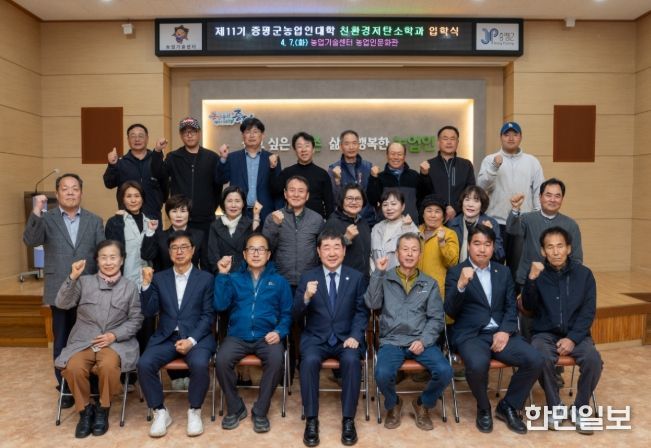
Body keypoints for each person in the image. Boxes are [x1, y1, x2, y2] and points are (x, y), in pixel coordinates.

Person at [444, 225, 543, 435]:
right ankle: (484, 408)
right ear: (468, 246)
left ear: (493, 247)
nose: (482, 249)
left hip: (501, 332)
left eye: (487, 244)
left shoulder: (503, 271)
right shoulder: (455, 272)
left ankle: (508, 406)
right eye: (477, 243)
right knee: (477, 364)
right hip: (471, 335)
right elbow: (450, 310)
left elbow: (510, 306)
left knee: (535, 359)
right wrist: (461, 285)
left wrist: (505, 331)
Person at [23, 173, 105, 408]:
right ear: (57, 193)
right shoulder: (46, 219)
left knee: (90, 339)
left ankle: (90, 385)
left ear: (81, 192)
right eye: (65, 188)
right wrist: (36, 211)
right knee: (62, 340)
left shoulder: (94, 220)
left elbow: (102, 254)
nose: (70, 192)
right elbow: (30, 240)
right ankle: (65, 388)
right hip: (58, 289)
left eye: (75, 188)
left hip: (88, 291)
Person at [55, 240, 143, 438]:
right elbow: (62, 303)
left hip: (115, 343)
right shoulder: (84, 282)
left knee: (109, 367)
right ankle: (85, 411)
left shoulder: (129, 287)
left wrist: (114, 335)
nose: (108, 262)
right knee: (73, 367)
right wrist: (73, 276)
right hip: (84, 341)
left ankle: (103, 409)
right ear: (97, 260)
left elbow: (136, 319)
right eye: (104, 257)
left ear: (121, 260)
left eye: (113, 257)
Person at [365, 233, 453, 431]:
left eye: (414, 250)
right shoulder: (385, 278)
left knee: (445, 371)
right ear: (397, 253)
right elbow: (371, 303)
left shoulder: (429, 283)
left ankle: (423, 404)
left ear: (420, 255)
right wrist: (378, 273)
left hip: (421, 341)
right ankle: (393, 404)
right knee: (381, 373)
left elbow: (436, 318)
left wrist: (424, 340)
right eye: (405, 249)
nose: (410, 254)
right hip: (392, 340)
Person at [521, 227, 602, 435]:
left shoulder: (584, 274)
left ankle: (580, 409)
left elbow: (588, 312)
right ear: (543, 251)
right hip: (545, 333)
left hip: (577, 334)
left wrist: (573, 339)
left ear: (569, 248)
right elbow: (528, 306)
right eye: (550, 247)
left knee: (593, 360)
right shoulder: (537, 273)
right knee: (539, 355)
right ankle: (555, 406)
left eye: (560, 246)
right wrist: (531, 279)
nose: (556, 252)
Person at [138, 230, 216, 438]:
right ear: (169, 252)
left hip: (197, 337)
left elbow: (208, 315)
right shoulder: (159, 278)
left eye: (184, 247)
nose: (179, 251)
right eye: (174, 248)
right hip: (167, 337)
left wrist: (191, 340)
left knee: (199, 364)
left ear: (193, 250)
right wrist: (146, 285)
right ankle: (160, 411)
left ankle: (195, 410)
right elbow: (149, 311)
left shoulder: (206, 278)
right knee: (144, 364)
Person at [294, 230, 369, 446]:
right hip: (316, 338)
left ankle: (348, 419)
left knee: (352, 361)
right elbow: (295, 314)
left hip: (346, 338)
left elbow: (361, 311)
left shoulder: (356, 277)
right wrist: (306, 297)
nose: (332, 252)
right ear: (318, 252)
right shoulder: (308, 277)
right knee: (308, 361)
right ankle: (311, 420)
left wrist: (355, 335)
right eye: (326, 248)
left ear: (344, 251)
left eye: (337, 247)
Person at [214, 233, 292, 433]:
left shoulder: (279, 282)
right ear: (244, 254)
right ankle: (235, 407)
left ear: (268, 255)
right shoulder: (233, 278)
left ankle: (260, 411)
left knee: (276, 359)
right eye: (251, 249)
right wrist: (222, 275)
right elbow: (220, 305)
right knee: (221, 360)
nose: (256, 253)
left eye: (261, 249)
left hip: (267, 336)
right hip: (237, 336)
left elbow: (287, 314)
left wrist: (279, 331)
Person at [477, 122, 545, 276]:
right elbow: (481, 186)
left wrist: (536, 216)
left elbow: (539, 190)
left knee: (518, 269)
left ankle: (515, 293)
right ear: (501, 137)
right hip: (496, 223)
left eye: (515, 134)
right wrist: (494, 166)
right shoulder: (490, 159)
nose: (511, 138)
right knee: (494, 268)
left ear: (521, 137)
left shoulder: (532, 161)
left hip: (522, 222)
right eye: (506, 134)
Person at [507, 178, 583, 289]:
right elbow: (512, 230)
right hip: (528, 278)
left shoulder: (571, 225)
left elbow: (576, 259)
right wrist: (515, 209)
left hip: (558, 281)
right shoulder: (527, 219)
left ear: (562, 199)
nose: (553, 200)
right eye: (548, 195)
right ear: (540, 197)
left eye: (557, 196)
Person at [159, 117, 226, 236]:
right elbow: (159, 175)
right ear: (181, 135)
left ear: (199, 133)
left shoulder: (212, 157)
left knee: (205, 248)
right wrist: (157, 152)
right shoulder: (173, 157)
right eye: (185, 132)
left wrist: (210, 208)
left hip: (206, 219)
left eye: (193, 131)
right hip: (180, 218)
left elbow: (219, 184)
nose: (189, 135)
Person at [263, 176, 324, 289]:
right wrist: (275, 225)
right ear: (285, 194)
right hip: (280, 279)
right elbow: (266, 249)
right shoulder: (272, 217)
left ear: (307, 195)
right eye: (292, 190)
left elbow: (322, 250)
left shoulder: (317, 219)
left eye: (301, 191)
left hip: (309, 280)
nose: (296, 195)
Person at [218, 117, 283, 224]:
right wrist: (223, 159)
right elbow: (221, 180)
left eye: (255, 132)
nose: (252, 135)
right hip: (239, 213)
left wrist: (279, 211)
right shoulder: (232, 158)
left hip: (265, 213)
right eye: (248, 132)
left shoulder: (272, 158)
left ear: (262, 135)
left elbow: (277, 189)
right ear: (243, 136)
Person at [103, 123, 168, 220]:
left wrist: (157, 201)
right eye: (133, 136)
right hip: (127, 217)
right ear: (128, 139)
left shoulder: (156, 160)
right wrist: (112, 165)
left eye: (141, 136)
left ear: (147, 138)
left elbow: (165, 187)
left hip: (153, 217)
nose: (137, 139)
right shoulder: (121, 162)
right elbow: (109, 183)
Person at [104, 180, 156, 287]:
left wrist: (150, 232)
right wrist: (119, 221)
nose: (133, 200)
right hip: (123, 283)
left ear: (142, 198)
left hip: (146, 282)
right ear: (122, 199)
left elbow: (150, 255)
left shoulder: (150, 222)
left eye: (137, 196)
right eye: (128, 196)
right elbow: (112, 254)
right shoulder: (114, 222)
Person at [420, 125, 475, 222]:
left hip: (460, 217)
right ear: (438, 142)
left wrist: (455, 208)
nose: (449, 142)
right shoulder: (428, 165)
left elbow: (470, 191)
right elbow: (424, 194)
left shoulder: (466, 164)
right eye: (445, 139)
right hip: (435, 218)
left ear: (457, 142)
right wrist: (424, 175)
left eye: (452, 139)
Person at [272, 131, 334, 219]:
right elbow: (274, 190)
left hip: (316, 222)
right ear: (295, 151)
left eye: (307, 146)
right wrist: (272, 168)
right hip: (291, 221)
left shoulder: (322, 174)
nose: (303, 150)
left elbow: (329, 203)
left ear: (313, 149)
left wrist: (329, 223)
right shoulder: (287, 172)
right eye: (299, 146)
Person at [141, 194, 207, 272]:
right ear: (168, 214)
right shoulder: (160, 236)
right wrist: (150, 230)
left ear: (189, 214)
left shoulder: (199, 235)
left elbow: (205, 265)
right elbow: (147, 256)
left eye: (183, 211)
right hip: (164, 278)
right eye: (174, 211)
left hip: (193, 278)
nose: (178, 215)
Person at [366, 141, 427, 224]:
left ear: (404, 156)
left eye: (399, 154)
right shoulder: (379, 177)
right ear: (387, 155)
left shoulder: (414, 175)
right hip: (386, 226)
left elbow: (425, 198)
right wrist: (373, 178)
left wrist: (425, 176)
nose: (396, 157)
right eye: (392, 154)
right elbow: (372, 200)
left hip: (410, 224)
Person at [323, 184, 371, 284]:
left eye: (358, 199)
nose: (354, 202)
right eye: (349, 198)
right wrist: (346, 239)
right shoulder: (333, 222)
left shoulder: (364, 222)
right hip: (343, 281)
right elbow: (325, 253)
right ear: (342, 201)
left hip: (364, 280)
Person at [207, 186, 261, 274]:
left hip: (246, 275)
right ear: (223, 203)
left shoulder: (250, 224)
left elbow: (256, 251)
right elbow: (212, 255)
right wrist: (220, 271)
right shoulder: (215, 226)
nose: (233, 205)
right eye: (229, 201)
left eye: (237, 201)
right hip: (223, 274)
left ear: (243, 204)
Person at [328, 130, 376, 226]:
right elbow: (333, 199)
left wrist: (375, 179)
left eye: (354, 143)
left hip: (366, 221)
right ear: (341, 146)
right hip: (342, 222)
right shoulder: (333, 169)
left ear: (359, 145)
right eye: (347, 144)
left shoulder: (368, 167)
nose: (351, 147)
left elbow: (373, 197)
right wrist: (337, 181)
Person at [447, 185, 504, 263]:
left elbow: (500, 255)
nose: (470, 204)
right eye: (467, 199)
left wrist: (490, 235)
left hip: (482, 268)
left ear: (482, 204)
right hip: (457, 268)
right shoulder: (452, 224)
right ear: (462, 202)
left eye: (476, 201)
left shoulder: (491, 223)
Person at [417, 195, 459, 299]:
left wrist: (442, 243)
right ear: (423, 214)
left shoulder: (449, 234)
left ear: (443, 217)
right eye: (429, 211)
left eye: (437, 211)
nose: (433, 215)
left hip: (436, 290)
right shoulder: (416, 231)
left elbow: (453, 263)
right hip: (415, 289)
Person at [370, 188, 418, 271]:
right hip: (377, 277)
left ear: (403, 206)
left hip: (400, 278)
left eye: (393, 204)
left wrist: (406, 229)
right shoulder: (376, 228)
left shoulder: (411, 228)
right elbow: (371, 256)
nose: (389, 208)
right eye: (385, 205)